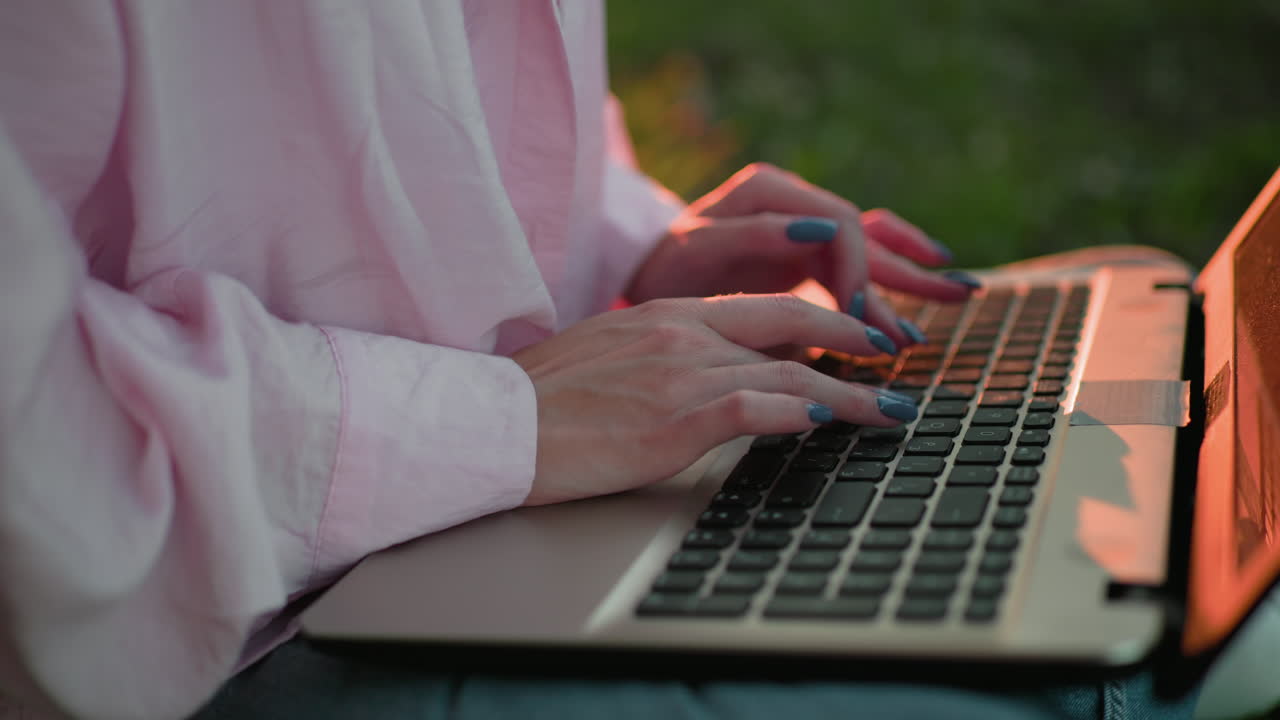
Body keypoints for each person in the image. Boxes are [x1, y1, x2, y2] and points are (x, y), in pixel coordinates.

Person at [0, 2, 1197, 718]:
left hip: (470, 501)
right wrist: (507, 417)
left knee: (1127, 515)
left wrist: (630, 260)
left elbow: (429, 111)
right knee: (1054, 671)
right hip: (196, 645)